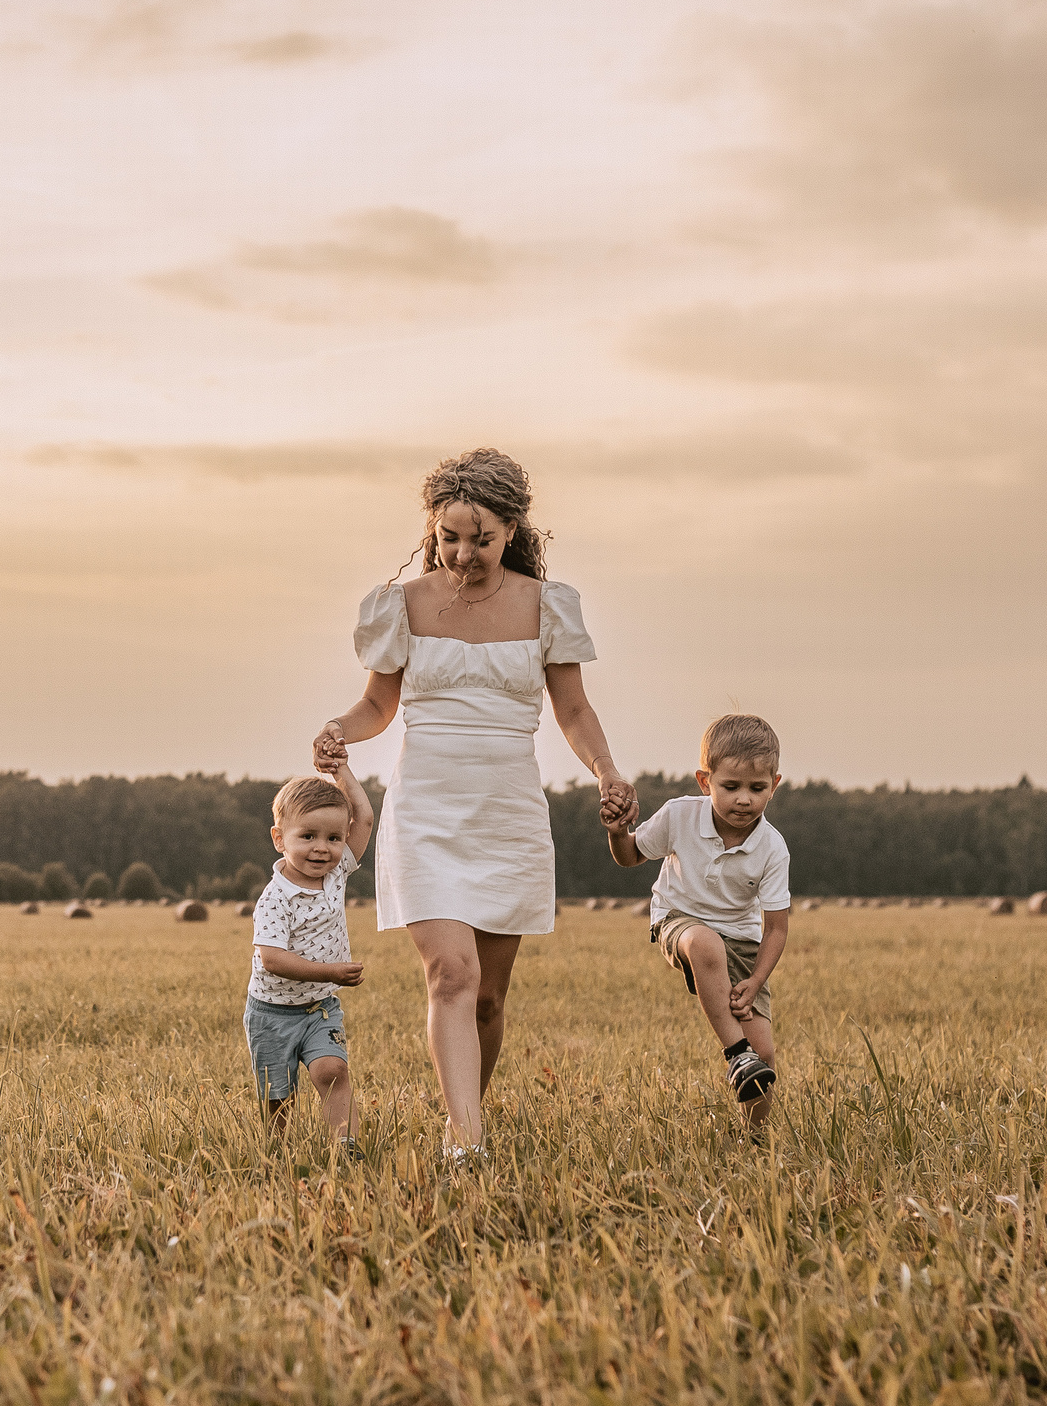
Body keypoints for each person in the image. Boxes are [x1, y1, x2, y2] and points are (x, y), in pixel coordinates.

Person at [314, 448, 632, 1160]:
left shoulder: (547, 605)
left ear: (512, 528)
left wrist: (606, 770)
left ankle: (466, 1113)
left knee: (488, 996)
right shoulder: (402, 605)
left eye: (480, 539)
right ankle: (466, 1145)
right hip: (426, 806)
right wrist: (341, 730)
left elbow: (574, 709)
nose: (461, 555)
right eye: (449, 537)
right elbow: (377, 705)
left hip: (508, 813)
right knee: (450, 973)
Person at [604, 713, 793, 1131]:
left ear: (774, 786)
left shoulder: (773, 848)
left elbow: (776, 928)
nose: (744, 799)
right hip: (678, 918)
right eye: (731, 787)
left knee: (765, 1054)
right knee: (704, 943)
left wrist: (756, 981)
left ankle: (757, 1138)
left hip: (741, 940)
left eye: (757, 788)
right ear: (705, 781)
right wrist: (619, 834)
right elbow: (631, 856)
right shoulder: (678, 816)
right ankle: (735, 1056)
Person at [246, 757, 375, 1153]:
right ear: (279, 839)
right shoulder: (274, 900)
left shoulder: (335, 876)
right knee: (278, 1098)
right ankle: (276, 1152)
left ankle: (347, 1147)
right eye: (308, 836)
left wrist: (341, 772)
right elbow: (273, 959)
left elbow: (365, 817)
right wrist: (331, 972)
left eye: (334, 839)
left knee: (333, 1070)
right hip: (272, 1012)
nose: (322, 848)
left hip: (319, 1008)